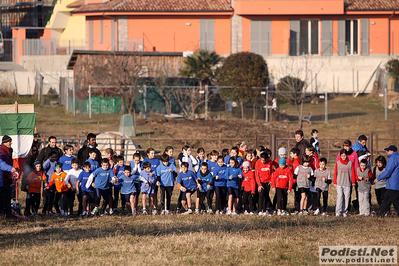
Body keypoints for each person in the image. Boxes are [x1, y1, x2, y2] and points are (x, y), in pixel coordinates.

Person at [377, 145, 399, 217]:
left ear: (392, 151)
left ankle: (381, 213)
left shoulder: (392, 159)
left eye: (388, 150)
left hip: (393, 184)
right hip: (392, 184)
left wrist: (378, 178)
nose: (386, 152)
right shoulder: (397, 158)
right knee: (386, 200)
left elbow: (388, 171)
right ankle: (381, 214)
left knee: (396, 202)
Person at [334, 149, 356, 217]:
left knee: (347, 198)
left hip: (347, 183)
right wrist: (335, 182)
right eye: (342, 156)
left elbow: (352, 173)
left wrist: (353, 182)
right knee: (340, 197)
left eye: (345, 155)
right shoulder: (338, 163)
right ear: (340, 156)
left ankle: (345, 211)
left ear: (347, 155)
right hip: (339, 183)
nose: (343, 157)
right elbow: (335, 173)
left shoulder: (350, 163)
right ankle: (338, 211)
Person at [0, 135, 17, 218]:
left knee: (8, 195)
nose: (11, 143)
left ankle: (7, 212)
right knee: (4, 196)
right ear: (4, 142)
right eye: (9, 141)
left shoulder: (9, 150)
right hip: (3, 177)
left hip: (8, 176)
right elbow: (2, 165)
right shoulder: (2, 152)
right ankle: (5, 212)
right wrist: (9, 173)